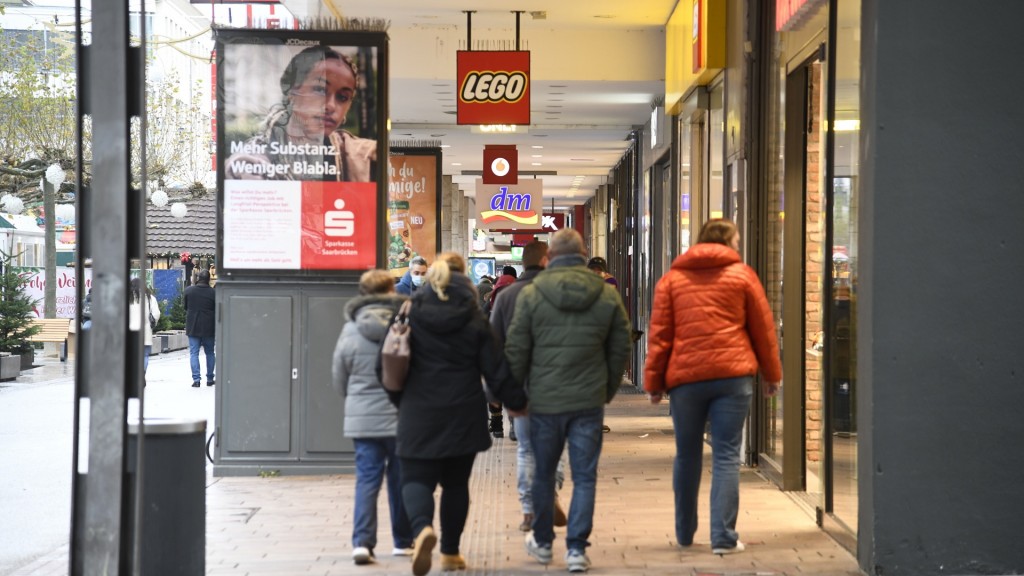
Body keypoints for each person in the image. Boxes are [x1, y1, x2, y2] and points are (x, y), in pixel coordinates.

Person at [643, 218, 782, 555]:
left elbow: (660, 336)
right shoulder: (743, 276)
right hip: (733, 378)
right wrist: (771, 374)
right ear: (729, 241)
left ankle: (684, 532)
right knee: (726, 455)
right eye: (736, 238)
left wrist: (654, 383)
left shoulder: (672, 280)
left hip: (686, 380)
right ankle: (723, 537)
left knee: (687, 455)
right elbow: (763, 330)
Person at [391, 252, 527, 576]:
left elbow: (388, 363)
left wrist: (400, 402)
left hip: (417, 411)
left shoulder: (408, 312)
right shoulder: (474, 318)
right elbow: (495, 368)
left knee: (414, 478)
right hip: (463, 411)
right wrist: (515, 401)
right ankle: (451, 553)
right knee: (455, 484)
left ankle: (423, 528)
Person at [504, 229, 632, 574]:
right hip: (588, 400)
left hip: (543, 401)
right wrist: (605, 389)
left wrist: (514, 396)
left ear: (549, 258)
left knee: (543, 473)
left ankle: (543, 544)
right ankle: (576, 549)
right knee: (585, 476)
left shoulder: (532, 295)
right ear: (584, 253)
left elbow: (517, 348)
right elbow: (621, 347)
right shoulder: (605, 295)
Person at [332, 269, 413, 566]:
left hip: (363, 418)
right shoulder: (405, 324)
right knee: (400, 479)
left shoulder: (351, 328)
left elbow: (339, 377)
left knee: (367, 479)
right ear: (391, 289)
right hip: (400, 415)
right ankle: (403, 542)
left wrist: (354, 401)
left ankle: (362, 543)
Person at [489, 241, 568, 533]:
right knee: (556, 448)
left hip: (519, 386)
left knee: (526, 450)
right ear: (547, 261)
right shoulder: (560, 293)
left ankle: (527, 510)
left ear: (524, 263)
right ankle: (549, 493)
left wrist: (494, 394)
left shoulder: (506, 296)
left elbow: (494, 345)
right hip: (558, 385)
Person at [225, 45, 376, 182]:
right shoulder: (248, 164)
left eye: (342, 97)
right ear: (292, 91)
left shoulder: (360, 155)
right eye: (320, 90)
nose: (330, 105)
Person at [485, 265, 519, 439]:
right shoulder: (520, 294)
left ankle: (497, 425)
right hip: (515, 350)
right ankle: (514, 426)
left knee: (495, 387)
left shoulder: (493, 297)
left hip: (495, 350)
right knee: (514, 387)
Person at [184, 269, 216, 388]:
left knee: (194, 353)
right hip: (209, 326)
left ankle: (196, 380)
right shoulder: (213, 293)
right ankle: (209, 379)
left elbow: (185, 307)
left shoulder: (189, 291)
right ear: (208, 279)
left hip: (193, 326)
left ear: (198, 278)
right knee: (210, 352)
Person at [128, 278, 160, 376]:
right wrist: (152, 324)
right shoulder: (150, 298)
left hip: (130, 331)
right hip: (145, 331)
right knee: (145, 355)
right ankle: (142, 373)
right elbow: (156, 314)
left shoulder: (127, 298)